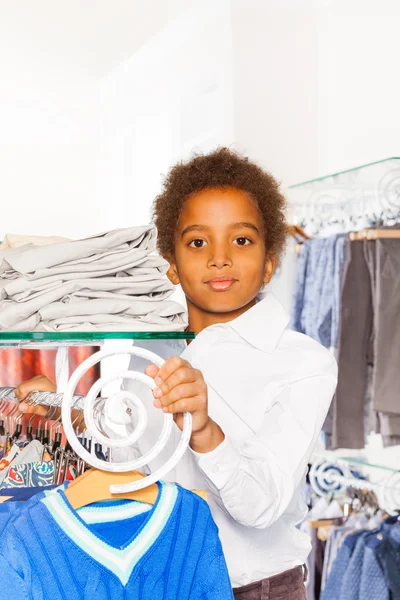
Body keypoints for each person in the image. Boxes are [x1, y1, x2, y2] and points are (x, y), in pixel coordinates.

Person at [16, 148, 337, 599]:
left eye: (241, 240)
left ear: (270, 260)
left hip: (255, 589)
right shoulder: (141, 348)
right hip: (155, 580)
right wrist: (63, 413)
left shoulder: (303, 363)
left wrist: (204, 429)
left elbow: (261, 508)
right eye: (198, 242)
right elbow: (127, 467)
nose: (219, 258)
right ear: (170, 262)